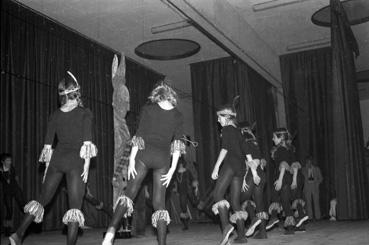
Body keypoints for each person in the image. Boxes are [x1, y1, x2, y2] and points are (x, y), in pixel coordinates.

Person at [9, 71, 97, 245]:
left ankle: (17, 235)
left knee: (42, 199)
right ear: (76, 92)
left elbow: (48, 147)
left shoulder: (55, 114)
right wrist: (86, 166)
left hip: (57, 160)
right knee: (74, 208)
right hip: (75, 163)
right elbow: (87, 144)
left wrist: (48, 169)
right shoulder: (85, 113)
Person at [102, 81, 186, 245]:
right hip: (163, 159)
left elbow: (139, 135)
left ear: (157, 96)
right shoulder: (178, 115)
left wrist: (132, 160)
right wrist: (172, 169)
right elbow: (177, 146)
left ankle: (110, 233)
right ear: (171, 96)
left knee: (129, 195)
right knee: (158, 203)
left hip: (144, 155)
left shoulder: (148, 109)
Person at [210, 105, 248, 245]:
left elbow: (224, 148)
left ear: (226, 117)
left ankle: (226, 226)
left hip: (231, 164)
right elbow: (245, 149)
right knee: (235, 202)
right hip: (240, 167)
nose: (218, 121)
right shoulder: (238, 131)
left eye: (219, 118)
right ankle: (242, 236)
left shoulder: (226, 129)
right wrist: (252, 169)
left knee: (217, 195)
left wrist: (216, 167)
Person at [266, 128, 307, 235]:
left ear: (281, 138)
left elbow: (283, 165)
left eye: (274, 137)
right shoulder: (289, 149)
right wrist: (294, 181)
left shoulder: (281, 150)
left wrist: (280, 180)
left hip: (284, 176)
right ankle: (299, 220)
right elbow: (295, 166)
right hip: (294, 177)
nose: (272, 139)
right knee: (290, 198)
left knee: (278, 195)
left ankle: (274, 217)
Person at [238, 122, 268, 239]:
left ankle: (253, 219)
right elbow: (259, 160)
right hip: (261, 175)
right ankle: (262, 232)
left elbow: (251, 162)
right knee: (259, 203)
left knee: (241, 200)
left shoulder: (244, 142)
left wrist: (245, 178)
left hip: (252, 174)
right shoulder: (254, 142)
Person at [0, 153, 26, 237]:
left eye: (10, 160)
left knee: (23, 207)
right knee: (9, 211)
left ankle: (29, 226)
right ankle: (7, 230)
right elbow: (4, 179)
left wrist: (18, 188)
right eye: (7, 160)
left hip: (15, 189)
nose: (10, 162)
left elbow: (15, 177)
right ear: (2, 161)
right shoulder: (0, 170)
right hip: (7, 191)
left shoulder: (12, 168)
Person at [302, 156, 322, 220]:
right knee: (308, 203)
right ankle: (310, 217)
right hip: (307, 188)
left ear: (312, 162)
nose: (309, 163)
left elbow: (321, 178)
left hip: (314, 187)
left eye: (310, 161)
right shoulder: (304, 169)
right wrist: (306, 168)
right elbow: (302, 178)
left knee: (316, 202)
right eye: (307, 162)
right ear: (306, 162)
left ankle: (318, 217)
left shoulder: (316, 169)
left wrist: (317, 183)